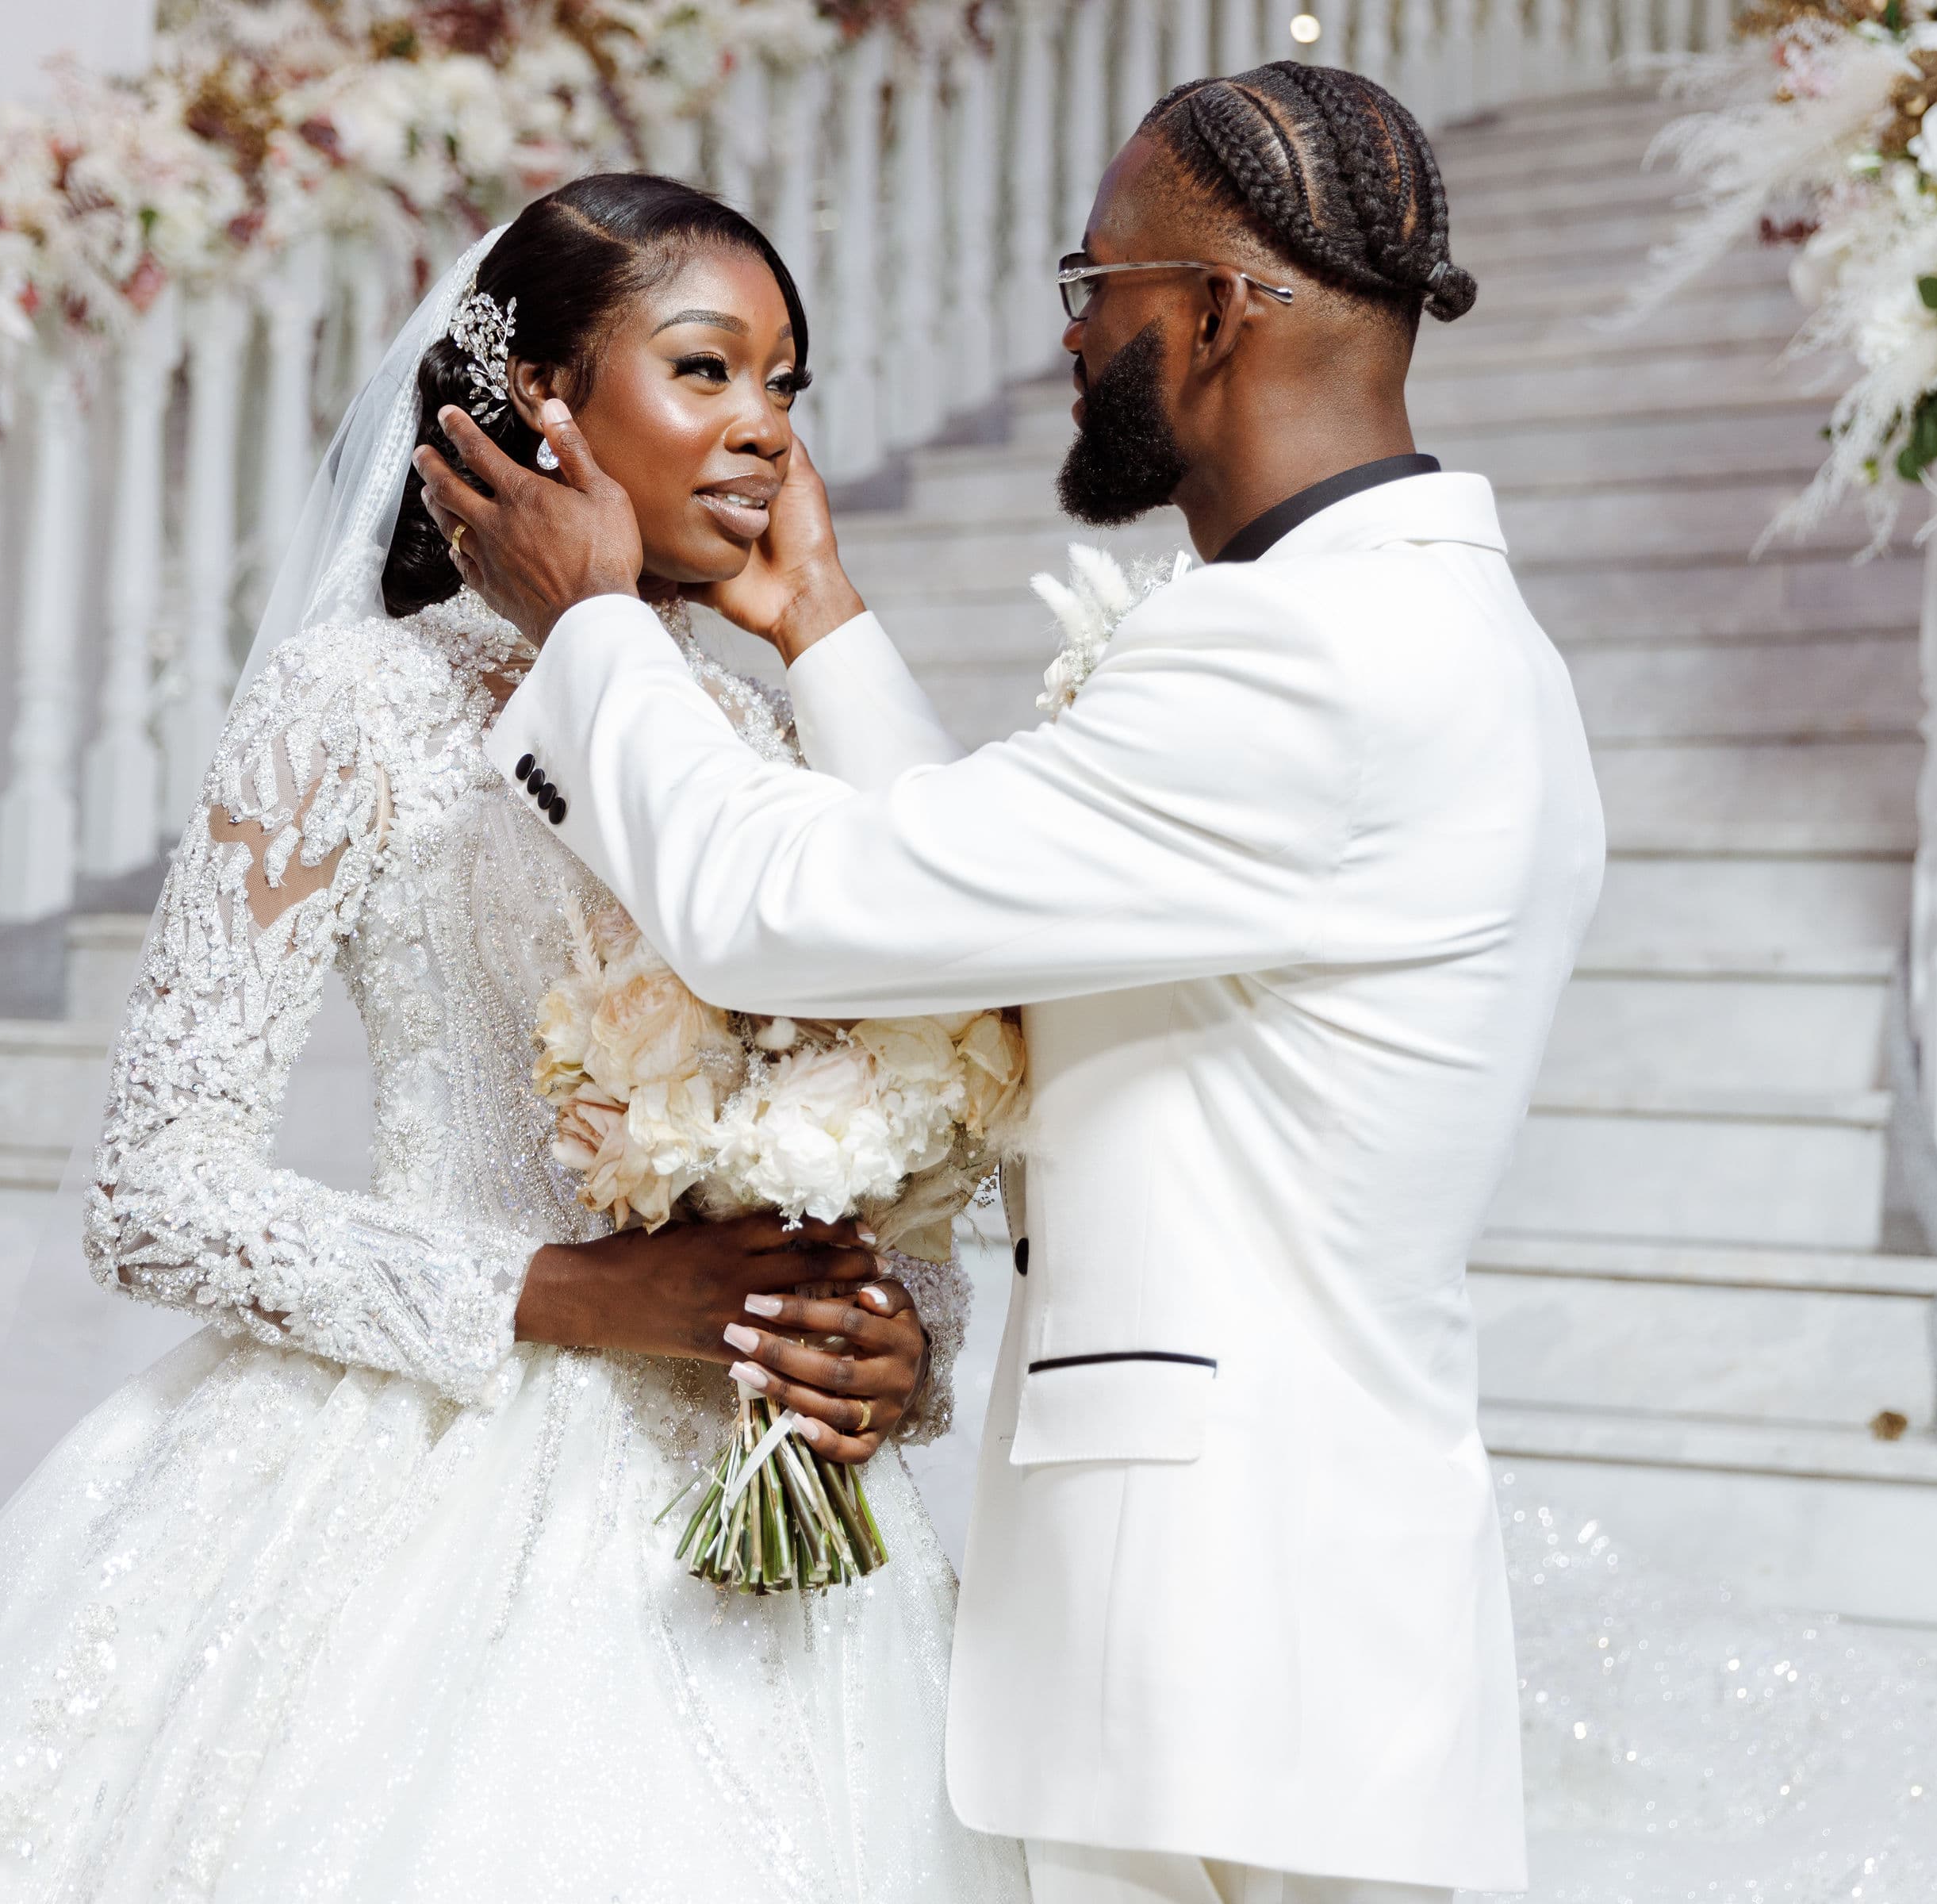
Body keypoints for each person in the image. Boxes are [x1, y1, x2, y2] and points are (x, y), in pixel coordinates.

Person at [0, 174, 1030, 1903]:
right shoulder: (358, 707)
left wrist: (897, 1342)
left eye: (788, 384)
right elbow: (157, 1190)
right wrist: (560, 1293)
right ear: (536, 407)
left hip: (784, 1538)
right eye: (707, 371)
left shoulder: (758, 737)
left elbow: (911, 1119)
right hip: (435, 1481)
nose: (766, 431)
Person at [423, 62, 1595, 1904]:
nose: (1068, 335)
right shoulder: (1393, 626)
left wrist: (585, 631)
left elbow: (772, 906)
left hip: (1227, 1625)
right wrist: (819, 631)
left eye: (1094, 284)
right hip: (1257, 1623)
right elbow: (981, 924)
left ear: (1210, 314)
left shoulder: (1325, 660)